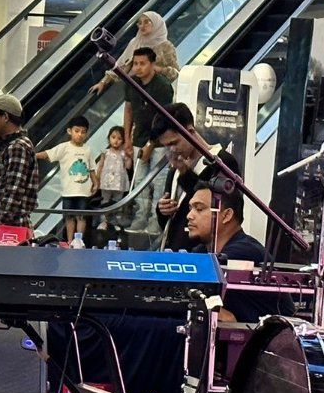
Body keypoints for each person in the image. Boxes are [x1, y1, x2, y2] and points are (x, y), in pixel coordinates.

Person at [185, 184, 293, 322]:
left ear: (226, 215)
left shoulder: (245, 251)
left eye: (199, 209)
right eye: (190, 208)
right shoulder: (201, 251)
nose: (189, 216)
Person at [150, 102, 240, 252]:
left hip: (199, 253)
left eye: (174, 143)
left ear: (190, 131)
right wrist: (163, 210)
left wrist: (185, 174)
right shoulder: (176, 167)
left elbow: (211, 208)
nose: (172, 150)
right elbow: (174, 218)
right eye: (167, 146)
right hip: (173, 250)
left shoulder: (223, 162)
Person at [117, 46, 175, 233]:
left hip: (159, 141)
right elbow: (128, 110)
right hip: (138, 139)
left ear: (152, 64)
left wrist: (151, 143)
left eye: (142, 63)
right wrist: (127, 138)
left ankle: (155, 221)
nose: (138, 67)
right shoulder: (131, 83)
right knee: (139, 181)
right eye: (135, 63)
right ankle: (140, 217)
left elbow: (164, 117)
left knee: (158, 183)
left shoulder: (163, 86)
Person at [89, 10, 180, 96]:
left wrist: (157, 69)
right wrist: (103, 82)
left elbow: (175, 74)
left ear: (156, 23)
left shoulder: (166, 47)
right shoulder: (135, 42)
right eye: (139, 23)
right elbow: (121, 65)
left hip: (157, 93)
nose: (142, 26)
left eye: (146, 22)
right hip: (135, 91)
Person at [36, 115, 97, 242]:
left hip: (83, 191)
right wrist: (33, 154)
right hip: (68, 191)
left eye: (83, 132)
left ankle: (79, 240)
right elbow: (48, 154)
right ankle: (70, 241)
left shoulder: (88, 150)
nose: (80, 134)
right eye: (77, 131)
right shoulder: (64, 147)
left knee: (82, 216)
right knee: (69, 217)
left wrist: (96, 183)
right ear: (69, 131)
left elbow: (91, 169)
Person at [0, 91, 37, 232]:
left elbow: (14, 191)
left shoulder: (18, 146)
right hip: (8, 227)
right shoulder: (9, 145)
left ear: (5, 117)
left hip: (10, 229)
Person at [95, 125, 132, 231]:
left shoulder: (123, 153)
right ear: (109, 138)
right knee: (105, 201)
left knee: (117, 202)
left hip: (119, 182)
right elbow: (100, 165)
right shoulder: (105, 152)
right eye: (113, 137)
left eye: (119, 139)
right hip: (106, 181)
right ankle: (103, 221)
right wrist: (97, 179)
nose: (116, 141)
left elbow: (128, 166)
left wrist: (129, 157)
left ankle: (114, 222)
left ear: (123, 141)